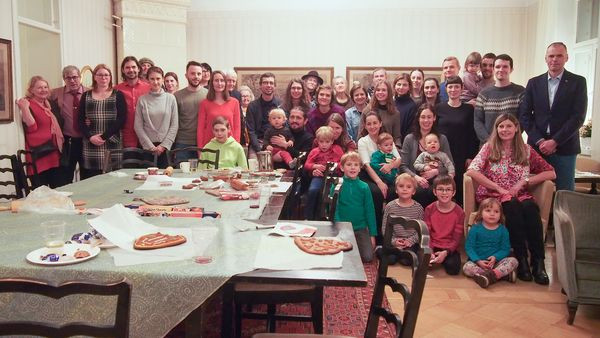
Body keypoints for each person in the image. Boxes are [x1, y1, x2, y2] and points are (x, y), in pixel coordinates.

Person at [466, 113, 556, 284]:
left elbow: (551, 172)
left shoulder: (526, 149)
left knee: (530, 208)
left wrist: (526, 181)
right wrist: (498, 188)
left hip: (520, 194)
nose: (504, 130)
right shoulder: (489, 148)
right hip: (495, 196)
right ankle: (521, 259)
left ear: (516, 129)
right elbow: (471, 170)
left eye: (508, 126)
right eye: (501, 126)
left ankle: (538, 262)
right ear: (496, 129)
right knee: (512, 207)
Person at [519, 42, 588, 191]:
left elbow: (578, 117)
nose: (554, 59)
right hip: (537, 148)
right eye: (551, 56)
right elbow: (525, 116)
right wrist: (540, 140)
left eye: (559, 56)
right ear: (546, 58)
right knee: (535, 191)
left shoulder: (578, 82)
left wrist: (555, 141)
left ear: (566, 58)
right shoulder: (534, 83)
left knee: (564, 193)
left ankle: (561, 216)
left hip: (565, 148)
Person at [358, 111, 402, 241]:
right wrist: (379, 182)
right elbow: (366, 165)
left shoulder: (386, 138)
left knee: (395, 192)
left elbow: (398, 159)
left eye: (375, 123)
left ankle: (391, 233)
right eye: (369, 124)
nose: (372, 126)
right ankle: (376, 233)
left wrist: (390, 166)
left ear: (380, 123)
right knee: (376, 193)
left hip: (388, 172)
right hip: (369, 175)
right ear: (365, 126)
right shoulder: (363, 141)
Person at [78, 64, 127, 179]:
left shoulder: (118, 95)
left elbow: (121, 119)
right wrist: (91, 137)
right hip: (91, 143)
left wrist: (104, 136)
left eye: (106, 75)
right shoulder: (86, 96)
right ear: (94, 77)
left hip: (112, 141)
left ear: (110, 77)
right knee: (92, 178)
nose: (103, 77)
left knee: (113, 178)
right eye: (100, 75)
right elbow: (80, 120)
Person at [436, 75, 479, 204]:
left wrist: (470, 156)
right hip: (442, 154)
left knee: (460, 188)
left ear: (462, 89)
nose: (453, 89)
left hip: (461, 154)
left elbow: (472, 134)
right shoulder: (438, 108)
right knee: (442, 186)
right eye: (450, 87)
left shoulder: (468, 109)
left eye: (456, 87)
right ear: (446, 89)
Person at [400, 103, 453, 208]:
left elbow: (450, 164)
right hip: (414, 180)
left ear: (434, 118)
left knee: (432, 192)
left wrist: (436, 171)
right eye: (423, 117)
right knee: (418, 191)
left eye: (429, 117)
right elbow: (403, 166)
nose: (426, 120)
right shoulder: (409, 139)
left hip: (436, 181)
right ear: (418, 119)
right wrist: (416, 178)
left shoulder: (442, 139)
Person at [16, 76, 63, 188]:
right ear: (31, 90)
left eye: (45, 87)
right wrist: (24, 108)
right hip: (38, 155)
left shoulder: (48, 104)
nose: (44, 90)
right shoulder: (28, 104)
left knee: (56, 190)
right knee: (41, 192)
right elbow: (31, 127)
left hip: (53, 153)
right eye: (39, 88)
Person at [463, 197, 518, 288]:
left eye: (496, 212)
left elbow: (505, 248)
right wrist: (478, 260)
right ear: (481, 213)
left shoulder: (503, 230)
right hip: (478, 263)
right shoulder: (475, 228)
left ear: (500, 214)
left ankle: (489, 276)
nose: (492, 214)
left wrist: (496, 257)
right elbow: (469, 247)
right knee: (467, 267)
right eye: (488, 210)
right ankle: (500, 276)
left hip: (496, 263)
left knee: (513, 261)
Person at [334, 151, 377, 262]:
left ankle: (356, 244)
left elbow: (370, 211)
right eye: (349, 165)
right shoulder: (337, 184)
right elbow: (334, 208)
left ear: (360, 168)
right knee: (342, 255)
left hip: (360, 228)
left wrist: (372, 234)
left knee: (367, 257)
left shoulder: (364, 187)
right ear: (342, 168)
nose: (352, 168)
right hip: (342, 227)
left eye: (356, 165)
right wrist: (339, 225)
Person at [49, 65, 89, 185]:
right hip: (68, 141)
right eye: (68, 78)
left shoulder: (90, 92)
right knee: (65, 177)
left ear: (80, 77)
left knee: (87, 177)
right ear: (64, 79)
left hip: (86, 141)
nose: (72, 80)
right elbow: (38, 98)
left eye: (75, 77)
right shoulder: (55, 93)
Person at [474, 54, 525, 145]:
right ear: (493, 69)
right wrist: (489, 140)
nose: (501, 70)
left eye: (505, 66)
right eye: (498, 67)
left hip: (513, 146)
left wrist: (509, 139)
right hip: (488, 146)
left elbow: (524, 119)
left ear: (511, 69)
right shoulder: (483, 94)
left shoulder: (520, 92)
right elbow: (477, 121)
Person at [134, 66, 178, 168]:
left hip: (166, 148)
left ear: (162, 79)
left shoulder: (171, 98)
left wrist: (163, 146)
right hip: (148, 148)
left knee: (166, 180)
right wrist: (150, 147)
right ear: (147, 80)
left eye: (158, 79)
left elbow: (174, 125)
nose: (155, 82)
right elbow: (138, 126)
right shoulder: (142, 100)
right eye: (152, 79)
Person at [424, 175, 464, 275]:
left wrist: (446, 252)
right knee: (422, 263)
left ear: (453, 192)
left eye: (448, 189)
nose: (444, 192)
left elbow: (456, 238)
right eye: (440, 189)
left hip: (449, 247)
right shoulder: (429, 209)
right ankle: (435, 258)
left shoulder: (459, 212)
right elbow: (426, 233)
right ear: (434, 192)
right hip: (432, 245)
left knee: (453, 269)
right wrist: (430, 251)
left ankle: (442, 258)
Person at [381, 174, 424, 265]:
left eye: (408, 187)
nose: (404, 189)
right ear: (396, 190)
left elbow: (420, 230)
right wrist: (394, 241)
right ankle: (394, 252)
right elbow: (385, 227)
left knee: (407, 260)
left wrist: (410, 241)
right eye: (401, 186)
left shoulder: (419, 208)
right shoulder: (390, 206)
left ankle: (401, 254)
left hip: (409, 242)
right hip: (394, 240)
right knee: (389, 259)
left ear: (414, 191)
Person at [304, 126, 344, 220]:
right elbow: (307, 164)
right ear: (317, 141)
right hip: (319, 176)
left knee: (334, 193)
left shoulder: (337, 149)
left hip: (334, 177)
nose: (324, 145)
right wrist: (315, 166)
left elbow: (342, 163)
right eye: (321, 142)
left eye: (327, 142)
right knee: (313, 190)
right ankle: (308, 216)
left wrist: (333, 166)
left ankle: (335, 217)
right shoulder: (315, 151)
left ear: (332, 141)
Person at [173, 61, 208, 162]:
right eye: (192, 73)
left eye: (199, 74)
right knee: (182, 175)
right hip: (182, 143)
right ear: (186, 75)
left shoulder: (208, 95)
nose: (196, 76)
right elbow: (174, 122)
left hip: (203, 143)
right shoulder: (177, 96)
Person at [197, 70, 241, 149]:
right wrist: (200, 149)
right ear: (212, 83)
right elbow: (200, 129)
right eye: (216, 80)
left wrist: (236, 146)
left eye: (222, 80)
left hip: (229, 146)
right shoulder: (204, 103)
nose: (219, 83)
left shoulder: (235, 102)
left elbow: (237, 128)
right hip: (210, 147)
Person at [114, 56, 151, 148]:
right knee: (129, 163)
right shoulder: (116, 90)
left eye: (133, 67)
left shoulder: (149, 88)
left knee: (148, 163)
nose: (131, 70)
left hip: (148, 138)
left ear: (139, 69)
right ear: (123, 70)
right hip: (126, 138)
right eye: (127, 67)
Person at [362, 81, 402, 149]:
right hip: (369, 148)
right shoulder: (367, 110)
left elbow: (397, 137)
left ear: (388, 92)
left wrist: (396, 150)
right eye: (378, 90)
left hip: (388, 150)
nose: (380, 92)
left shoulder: (395, 113)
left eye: (383, 90)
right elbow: (361, 133)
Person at [393, 73, 417, 141]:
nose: (401, 87)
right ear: (395, 85)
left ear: (409, 87)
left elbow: (410, 130)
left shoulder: (412, 106)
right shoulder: (391, 103)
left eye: (404, 85)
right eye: (399, 84)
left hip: (402, 143)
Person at [238, 85, 254, 151]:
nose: (245, 98)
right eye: (243, 96)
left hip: (252, 141)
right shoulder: (237, 109)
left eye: (247, 96)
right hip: (241, 140)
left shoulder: (254, 109)